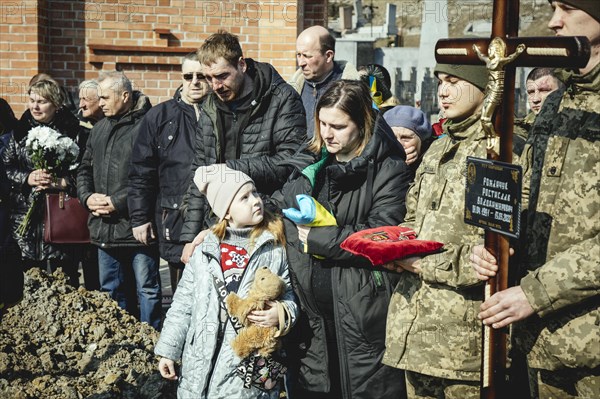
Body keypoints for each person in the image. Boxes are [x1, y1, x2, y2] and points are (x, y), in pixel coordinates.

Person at [471, 2, 600, 397]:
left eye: (567, 8)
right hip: (542, 340)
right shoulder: (560, 101)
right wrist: (497, 241)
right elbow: (528, 187)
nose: (552, 22)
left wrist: (536, 292)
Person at [271, 80, 412, 398]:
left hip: (362, 319)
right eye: (322, 123)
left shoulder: (389, 169)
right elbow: (281, 206)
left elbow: (380, 236)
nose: (327, 133)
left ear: (362, 124)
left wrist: (318, 238)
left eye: (338, 126)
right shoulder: (314, 163)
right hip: (311, 324)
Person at [382, 63, 492, 399]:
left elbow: (492, 255)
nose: (443, 91)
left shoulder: (498, 150)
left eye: (454, 81)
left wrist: (417, 263)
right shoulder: (440, 148)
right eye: (441, 82)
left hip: (462, 345)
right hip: (413, 332)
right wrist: (390, 246)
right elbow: (413, 217)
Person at [155, 165, 298, 398]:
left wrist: (281, 314)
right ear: (226, 212)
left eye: (254, 193)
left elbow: (291, 294)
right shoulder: (204, 250)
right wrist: (169, 351)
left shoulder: (274, 248)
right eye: (244, 197)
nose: (255, 201)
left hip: (250, 362)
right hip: (199, 363)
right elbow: (182, 305)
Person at [179, 30, 306, 263]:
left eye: (222, 76)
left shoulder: (281, 99)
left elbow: (292, 162)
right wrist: (189, 237)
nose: (215, 85)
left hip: (267, 222)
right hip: (219, 224)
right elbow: (200, 172)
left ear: (242, 65)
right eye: (209, 78)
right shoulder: (210, 106)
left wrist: (232, 168)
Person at [77, 71, 162, 330]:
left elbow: (153, 175)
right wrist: (87, 197)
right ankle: (121, 342)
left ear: (125, 96)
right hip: (104, 226)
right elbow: (84, 170)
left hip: (136, 226)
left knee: (147, 288)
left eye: (104, 97)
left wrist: (118, 201)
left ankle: (153, 343)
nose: (99, 102)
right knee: (111, 289)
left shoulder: (148, 125)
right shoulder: (99, 129)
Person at [129, 52, 211, 293]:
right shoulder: (160, 116)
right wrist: (140, 217)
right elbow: (142, 170)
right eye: (188, 76)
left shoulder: (224, 114)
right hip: (174, 218)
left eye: (201, 75)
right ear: (182, 77)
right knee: (181, 296)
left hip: (215, 219)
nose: (195, 81)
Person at [2, 79, 84, 286]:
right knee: (27, 281)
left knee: (65, 280)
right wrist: (27, 178)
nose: (35, 106)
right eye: (31, 100)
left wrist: (62, 182)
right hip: (24, 219)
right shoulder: (18, 133)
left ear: (56, 104)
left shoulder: (73, 133)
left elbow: (85, 172)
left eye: (42, 101)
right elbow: (6, 169)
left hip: (61, 217)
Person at [290, 25, 361, 138]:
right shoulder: (290, 91)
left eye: (307, 56)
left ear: (328, 56)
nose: (301, 63)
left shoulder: (354, 91)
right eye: (298, 55)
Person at [72, 79, 104, 291]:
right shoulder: (75, 128)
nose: (81, 104)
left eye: (86, 99)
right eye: (80, 98)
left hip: (103, 203)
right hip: (80, 202)